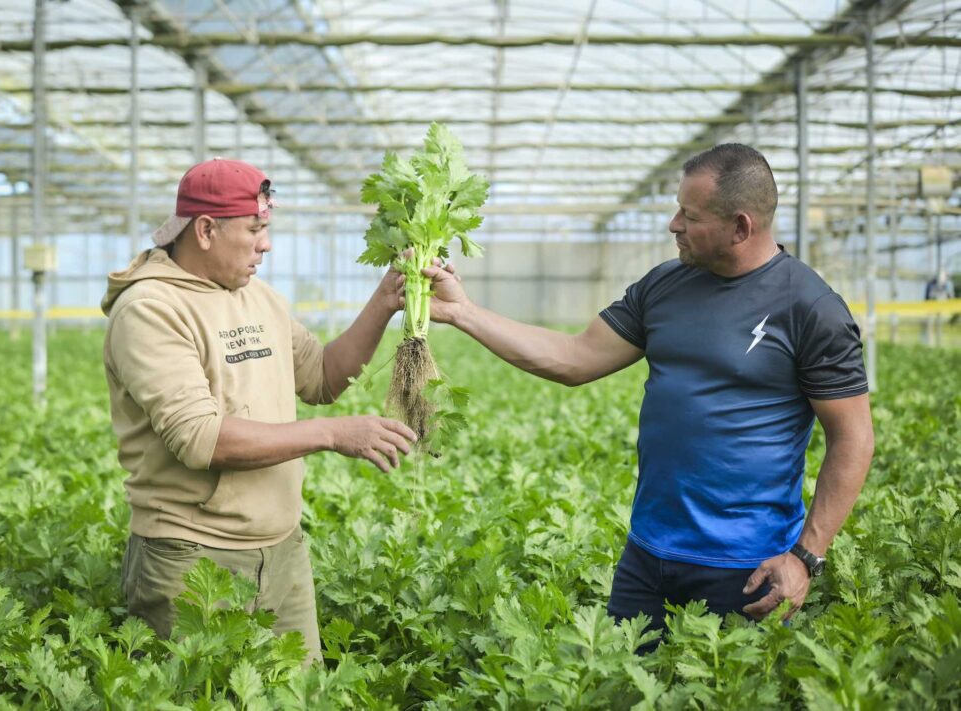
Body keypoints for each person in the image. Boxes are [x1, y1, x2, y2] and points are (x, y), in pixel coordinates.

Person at [416, 144, 875, 649]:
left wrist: (806, 556)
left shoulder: (811, 309)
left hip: (746, 569)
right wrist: (464, 313)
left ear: (740, 227)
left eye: (689, 214)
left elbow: (852, 438)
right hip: (646, 557)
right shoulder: (664, 285)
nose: (673, 224)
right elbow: (574, 358)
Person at [101, 158, 417, 662]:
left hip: (284, 550)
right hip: (193, 558)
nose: (265, 244)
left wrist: (384, 301)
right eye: (255, 229)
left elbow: (322, 376)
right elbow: (201, 438)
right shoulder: (150, 309)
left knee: (301, 695)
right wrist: (332, 435)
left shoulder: (260, 297)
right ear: (205, 230)